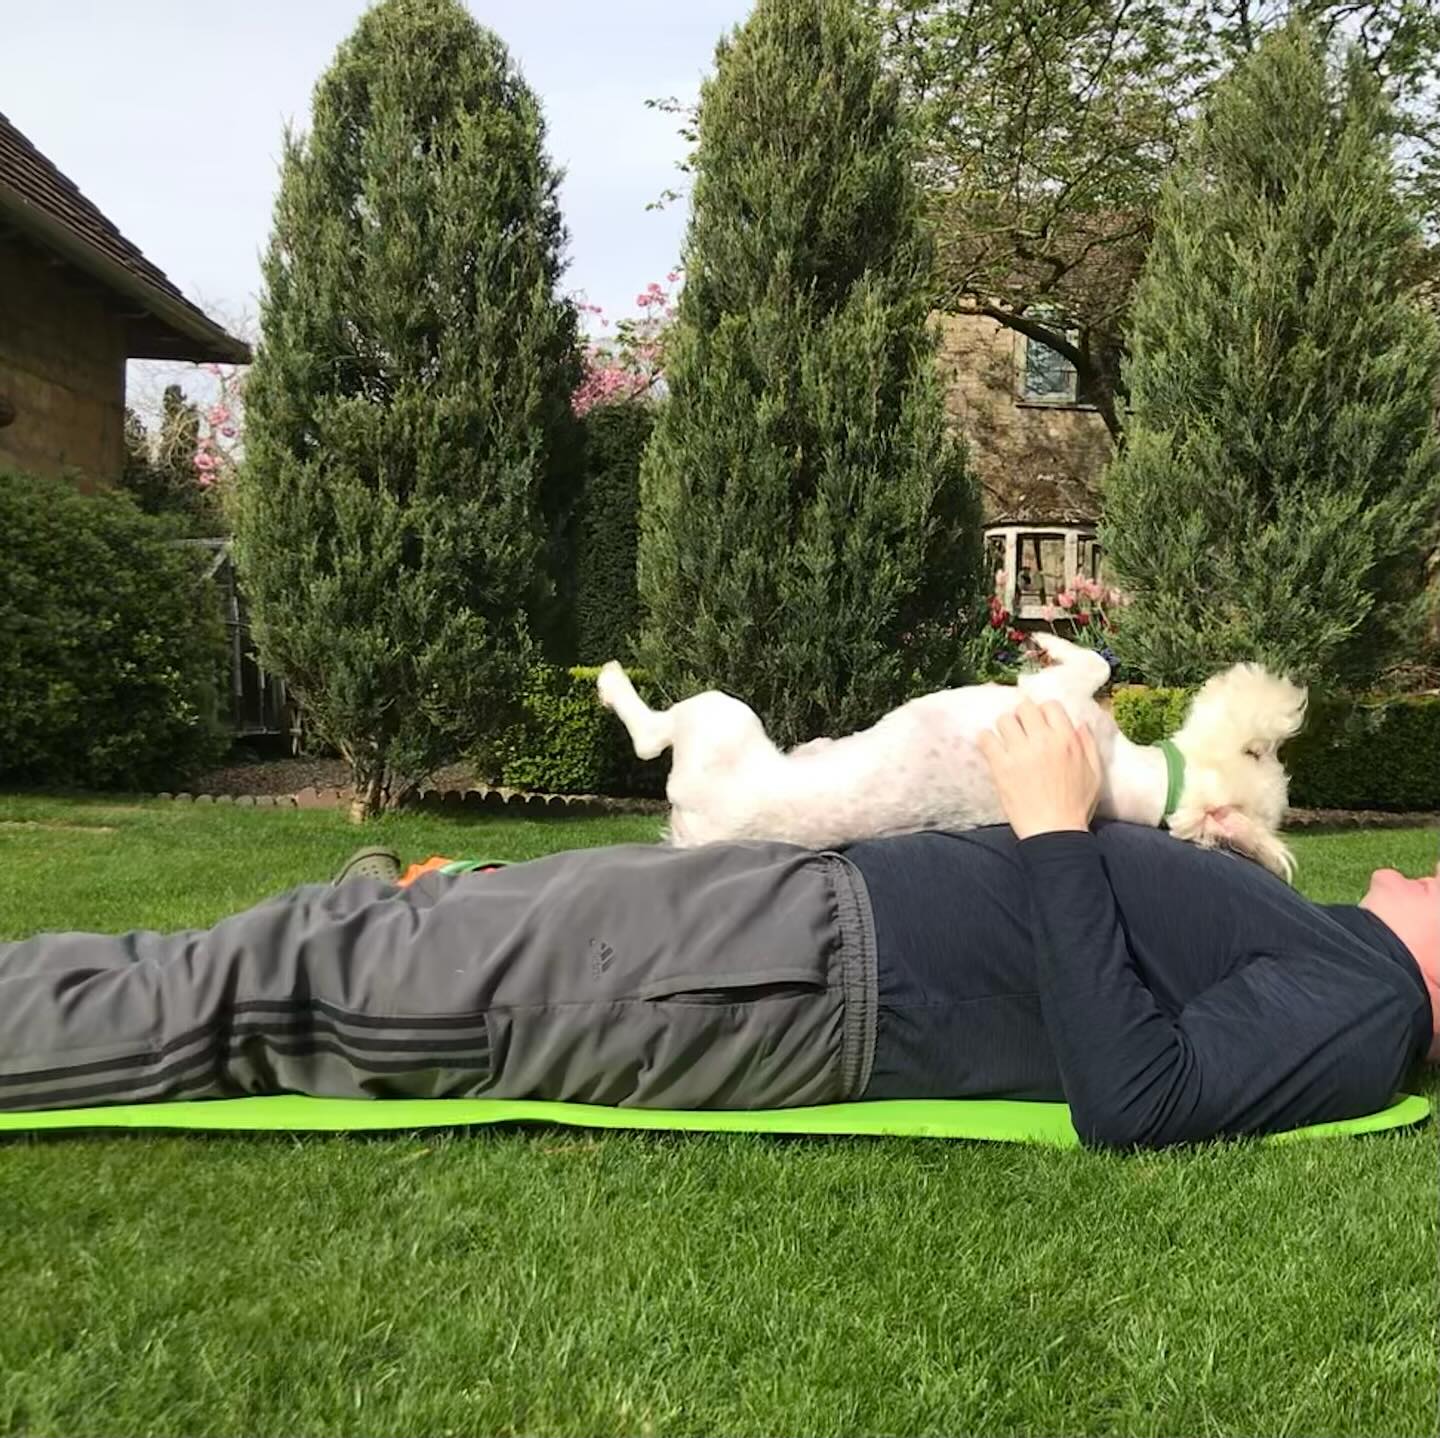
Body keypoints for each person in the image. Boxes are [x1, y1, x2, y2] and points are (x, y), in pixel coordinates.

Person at [0, 699, 1435, 1148]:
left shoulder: (1372, 1016)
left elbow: (1140, 1093)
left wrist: (1058, 821)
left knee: (320, 985)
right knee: (405, 924)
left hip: (796, 979)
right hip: (797, 916)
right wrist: (1194, 848)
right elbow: (1142, 963)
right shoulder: (1331, 947)